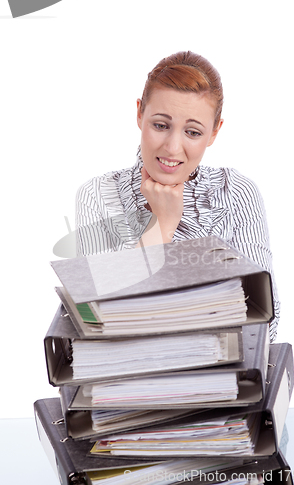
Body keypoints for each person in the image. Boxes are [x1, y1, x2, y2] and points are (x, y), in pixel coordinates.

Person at [76, 51, 280, 341]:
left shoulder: (235, 192)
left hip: (217, 379)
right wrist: (161, 225)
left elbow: (265, 325)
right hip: (123, 383)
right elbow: (93, 320)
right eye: (160, 125)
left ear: (214, 133)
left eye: (193, 132)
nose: (173, 148)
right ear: (139, 114)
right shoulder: (97, 194)